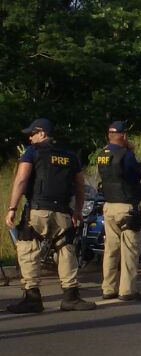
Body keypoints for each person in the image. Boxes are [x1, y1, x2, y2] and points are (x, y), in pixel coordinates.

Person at [5, 118, 93, 313]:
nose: (30, 137)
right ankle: (71, 296)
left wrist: (12, 208)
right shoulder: (70, 155)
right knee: (65, 250)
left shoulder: (33, 152)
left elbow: (21, 180)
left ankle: (32, 298)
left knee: (28, 249)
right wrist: (78, 211)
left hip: (39, 209)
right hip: (63, 211)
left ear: (42, 133)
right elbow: (80, 186)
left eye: (33, 133)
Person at [97, 121, 141, 301]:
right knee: (130, 249)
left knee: (111, 249)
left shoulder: (102, 155)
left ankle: (108, 288)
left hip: (109, 206)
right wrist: (131, 151)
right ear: (124, 136)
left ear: (109, 135)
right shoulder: (126, 155)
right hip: (126, 207)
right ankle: (127, 290)